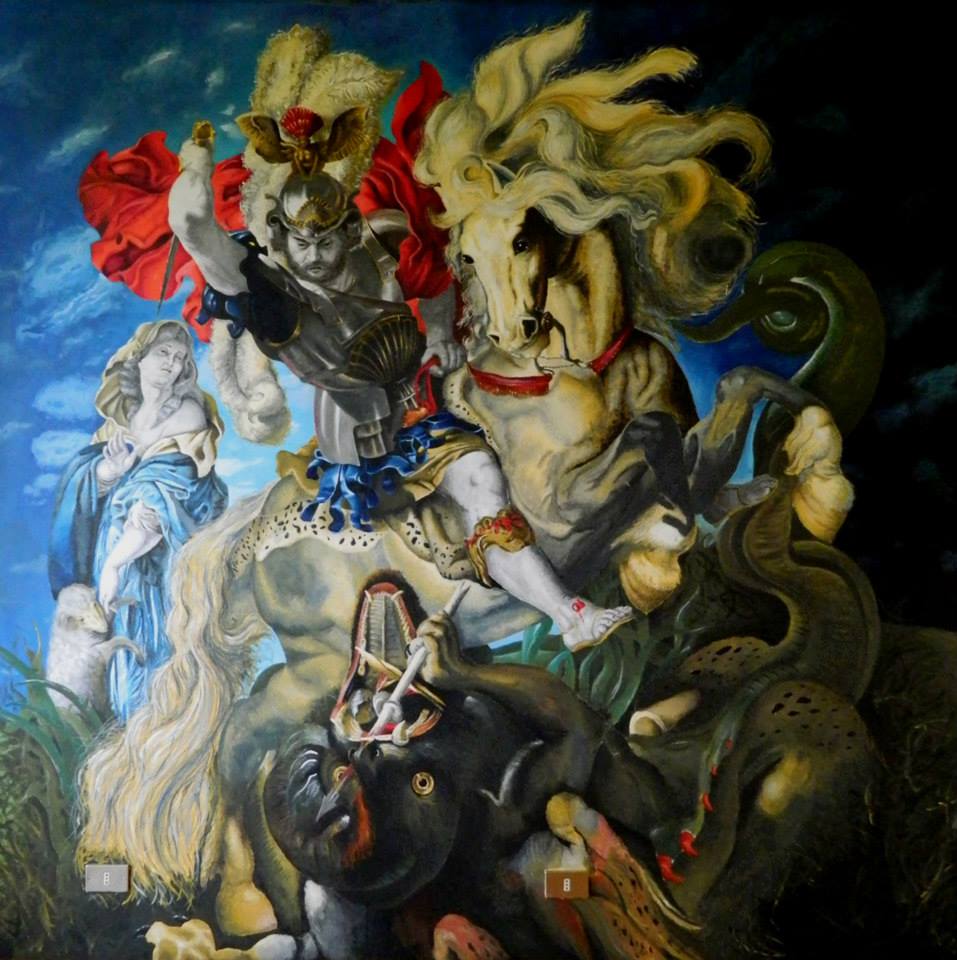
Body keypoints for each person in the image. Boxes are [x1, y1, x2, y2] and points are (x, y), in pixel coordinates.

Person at [168, 108, 633, 652]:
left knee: (499, 470)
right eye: (301, 244)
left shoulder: (380, 242)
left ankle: (570, 612)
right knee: (480, 480)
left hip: (423, 411)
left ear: (347, 228)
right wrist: (196, 160)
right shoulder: (271, 290)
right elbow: (192, 225)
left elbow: (433, 281)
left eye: (325, 242)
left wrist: (438, 333)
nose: (314, 257)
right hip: (362, 447)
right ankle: (570, 613)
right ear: (280, 237)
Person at [49, 320, 228, 721]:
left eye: (180, 358)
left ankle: (161, 732)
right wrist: (107, 474)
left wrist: (116, 562)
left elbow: (161, 494)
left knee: (154, 652)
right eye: (163, 353)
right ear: (138, 358)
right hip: (114, 553)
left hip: (153, 563)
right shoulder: (116, 425)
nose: (172, 364)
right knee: (122, 653)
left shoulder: (187, 413)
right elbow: (86, 491)